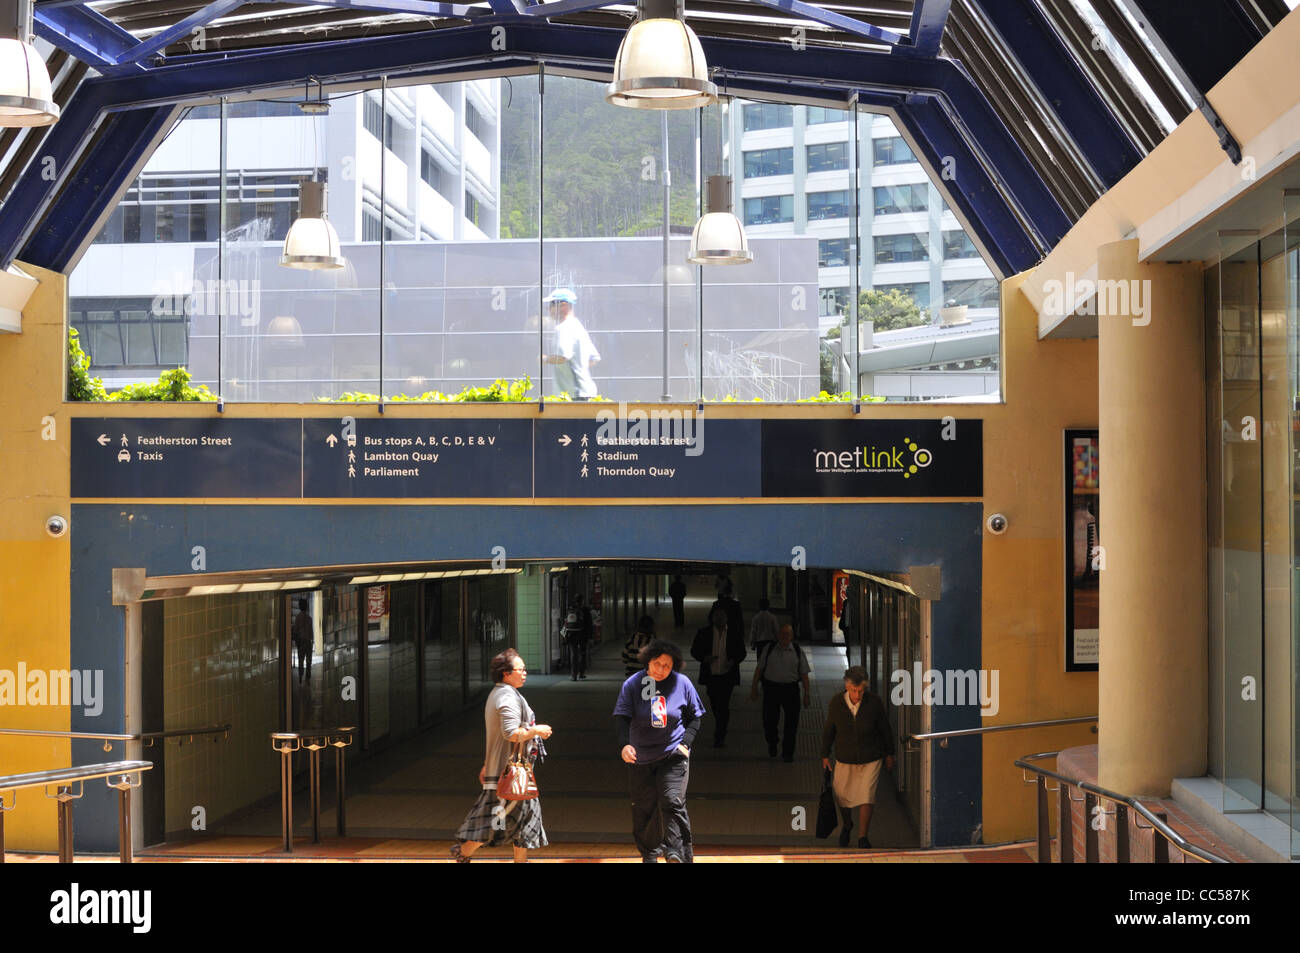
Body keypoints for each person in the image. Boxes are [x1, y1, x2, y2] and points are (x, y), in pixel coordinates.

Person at [452, 649, 552, 862]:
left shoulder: (503, 693)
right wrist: (537, 731)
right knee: (494, 824)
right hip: (508, 777)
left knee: (523, 823)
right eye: (520, 669)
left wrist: (487, 763)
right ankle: (462, 853)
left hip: (512, 774)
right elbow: (511, 733)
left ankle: (519, 861)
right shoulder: (506, 696)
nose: (525, 673)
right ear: (506, 673)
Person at [613, 638, 705, 863]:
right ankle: (650, 855)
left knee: (672, 801)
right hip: (640, 757)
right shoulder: (634, 684)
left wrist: (685, 744)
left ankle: (677, 854)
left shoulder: (682, 683)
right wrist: (625, 744)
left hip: (673, 755)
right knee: (644, 807)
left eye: (667, 665)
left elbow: (696, 717)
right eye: (657, 664)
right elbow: (622, 717)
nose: (661, 670)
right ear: (647, 662)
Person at [820, 665, 895, 849]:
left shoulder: (874, 703)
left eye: (861, 691)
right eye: (854, 691)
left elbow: (885, 729)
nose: (857, 695)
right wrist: (824, 754)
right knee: (842, 797)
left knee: (866, 796)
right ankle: (847, 825)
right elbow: (829, 730)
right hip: (845, 757)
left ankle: (863, 837)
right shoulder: (836, 703)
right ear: (847, 687)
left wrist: (889, 753)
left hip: (871, 757)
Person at [750, 623, 810, 761]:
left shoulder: (797, 650)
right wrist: (754, 688)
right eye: (782, 633)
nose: (784, 636)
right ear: (778, 635)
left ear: (792, 636)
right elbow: (759, 669)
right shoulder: (769, 649)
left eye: (787, 634)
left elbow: (804, 674)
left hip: (791, 690)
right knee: (769, 720)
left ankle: (788, 753)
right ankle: (773, 742)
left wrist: (807, 694)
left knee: (792, 723)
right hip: (771, 689)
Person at [691, 606, 746, 747]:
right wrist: (705, 658)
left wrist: (733, 661)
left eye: (722, 616)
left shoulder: (734, 633)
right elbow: (694, 651)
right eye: (717, 616)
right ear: (712, 618)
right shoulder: (704, 633)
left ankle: (720, 733)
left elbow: (742, 652)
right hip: (711, 676)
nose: (719, 619)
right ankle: (720, 723)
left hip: (727, 676)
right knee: (715, 703)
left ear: (726, 619)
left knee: (724, 704)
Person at [542, 288, 600, 400]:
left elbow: (563, 357)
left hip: (574, 395)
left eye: (552, 305)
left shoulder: (563, 328)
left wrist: (545, 359)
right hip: (586, 392)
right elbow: (594, 358)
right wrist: (577, 365)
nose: (549, 309)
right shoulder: (578, 327)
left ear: (563, 306)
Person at [562, 610, 589, 681]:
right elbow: (586, 626)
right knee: (581, 654)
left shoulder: (569, 613)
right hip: (580, 636)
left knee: (573, 655)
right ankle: (581, 673)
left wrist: (564, 638)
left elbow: (564, 629)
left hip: (571, 636)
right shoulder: (581, 612)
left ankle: (574, 675)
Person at [292, 596, 312, 685]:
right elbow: (311, 632)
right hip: (308, 642)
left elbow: (295, 630)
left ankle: (300, 676)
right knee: (308, 661)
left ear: (299, 606)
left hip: (301, 642)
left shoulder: (297, 618)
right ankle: (307, 678)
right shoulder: (309, 618)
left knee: (301, 660)